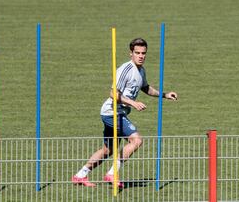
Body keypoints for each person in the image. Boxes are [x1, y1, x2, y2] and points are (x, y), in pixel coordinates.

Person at [72, 38, 178, 188]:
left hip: (118, 113)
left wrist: (165, 94)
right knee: (136, 141)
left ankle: (80, 175)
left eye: (143, 53)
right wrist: (133, 103)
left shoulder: (141, 71)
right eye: (137, 53)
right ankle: (112, 173)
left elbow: (146, 88)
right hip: (112, 112)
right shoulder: (125, 69)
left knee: (108, 150)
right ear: (131, 53)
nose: (141, 56)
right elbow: (113, 94)